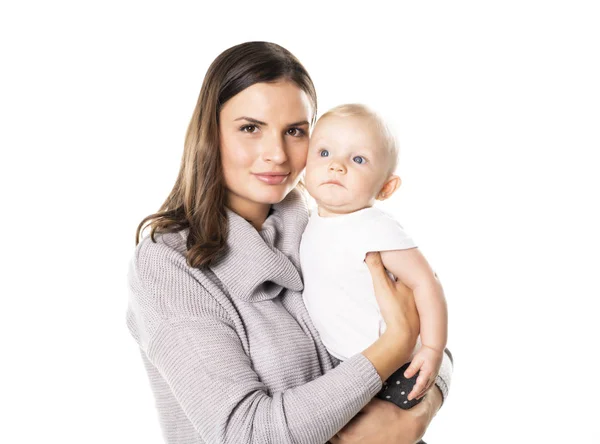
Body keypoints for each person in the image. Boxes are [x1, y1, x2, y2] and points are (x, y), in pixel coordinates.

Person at [126, 41, 453, 444]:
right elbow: (244, 433)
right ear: (210, 133)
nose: (277, 154)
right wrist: (393, 345)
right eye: (250, 128)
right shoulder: (168, 264)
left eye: (295, 131)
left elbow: (426, 331)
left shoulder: (326, 224)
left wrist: (421, 409)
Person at [300, 104, 448, 411]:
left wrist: (433, 348)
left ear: (386, 187)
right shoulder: (309, 220)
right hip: (346, 367)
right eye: (324, 153)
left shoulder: (373, 227)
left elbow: (425, 282)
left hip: (393, 368)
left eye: (358, 159)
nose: (336, 166)